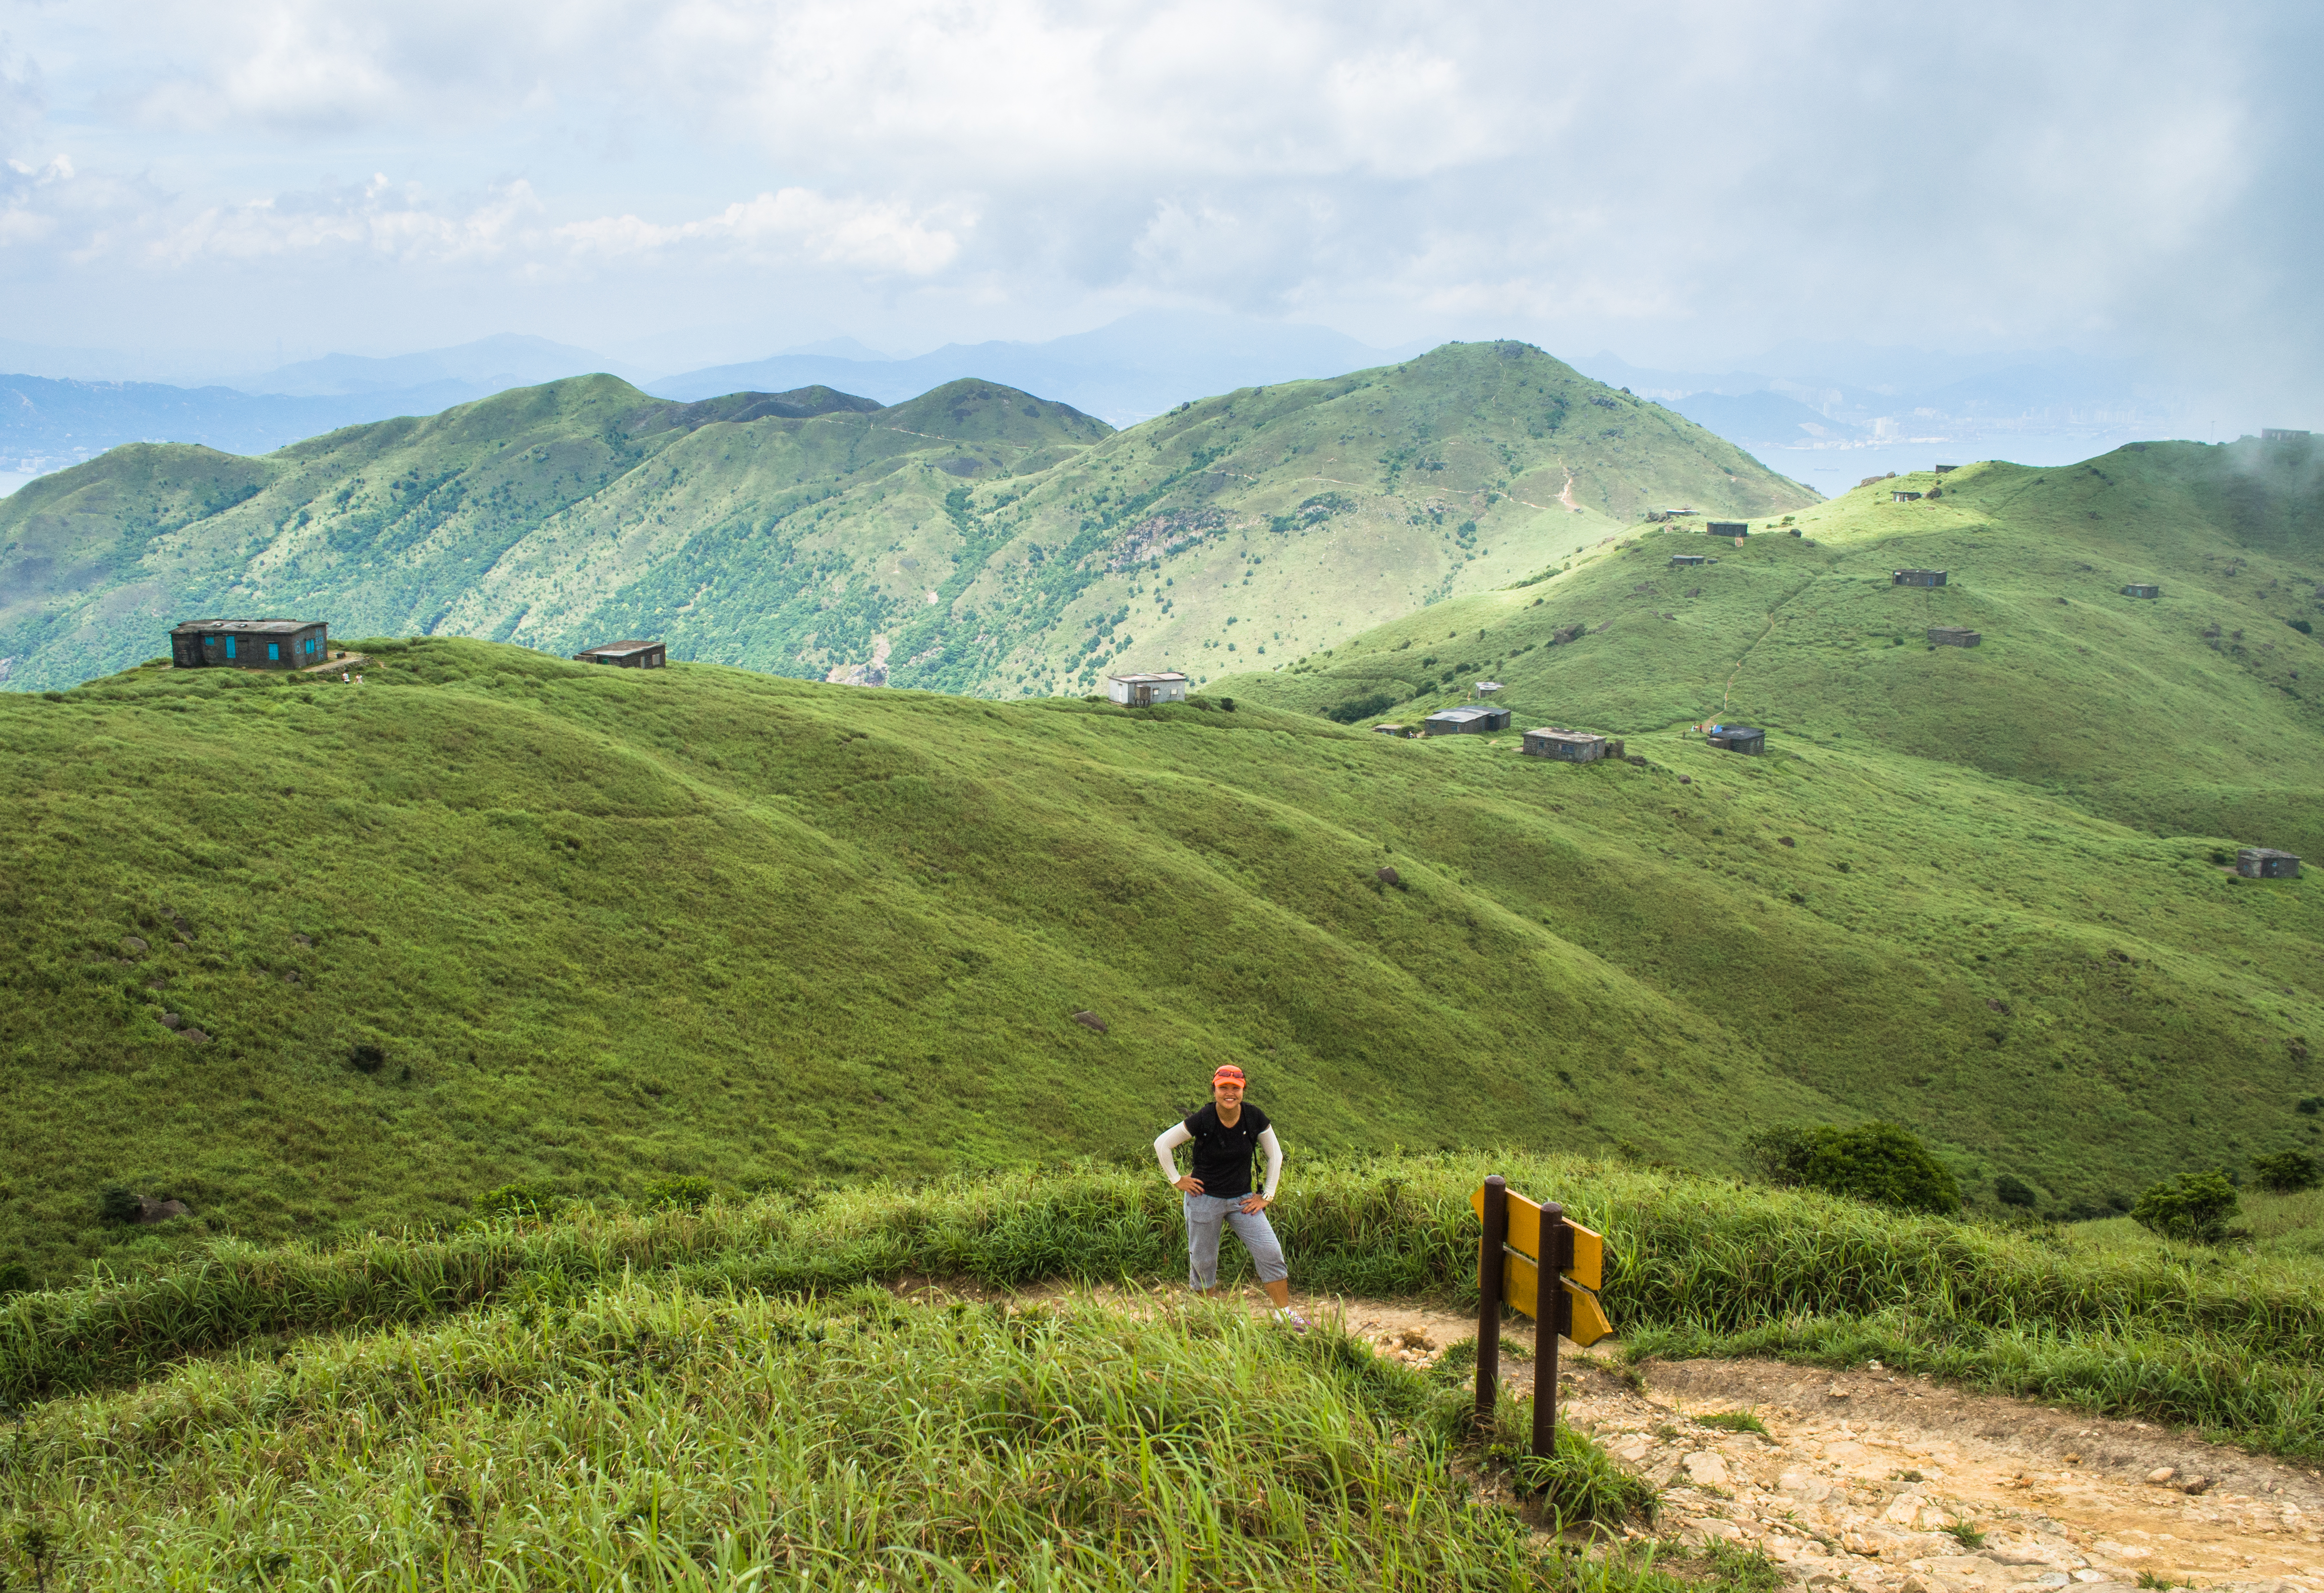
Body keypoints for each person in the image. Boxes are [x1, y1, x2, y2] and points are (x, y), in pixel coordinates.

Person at [1153, 1064, 1306, 1330]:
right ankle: (1205, 1320)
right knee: (1203, 1262)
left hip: (1242, 1200)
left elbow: (1275, 1155)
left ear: (1243, 1090)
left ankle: (1285, 1315)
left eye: (1235, 1088)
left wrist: (1266, 1196)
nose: (1229, 1093)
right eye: (1224, 1087)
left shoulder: (1253, 1117)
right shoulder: (1204, 1118)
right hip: (1204, 1199)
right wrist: (1177, 1180)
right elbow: (1162, 1144)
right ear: (1214, 1089)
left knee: (1270, 1251)